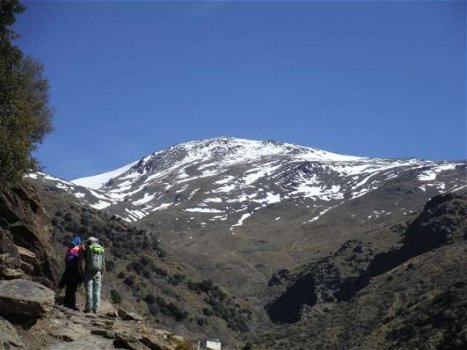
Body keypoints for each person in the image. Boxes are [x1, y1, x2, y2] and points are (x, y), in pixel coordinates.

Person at [59, 236, 84, 310]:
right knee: (73, 289)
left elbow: (66, 260)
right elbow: (79, 263)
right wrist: (81, 273)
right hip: (75, 273)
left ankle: (66, 302)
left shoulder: (69, 250)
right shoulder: (79, 249)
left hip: (67, 272)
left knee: (68, 288)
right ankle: (72, 304)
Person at [83, 236, 105, 313]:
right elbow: (103, 263)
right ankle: (96, 308)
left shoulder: (88, 248)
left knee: (89, 290)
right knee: (97, 290)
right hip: (98, 272)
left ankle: (88, 307)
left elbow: (82, 259)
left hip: (89, 272)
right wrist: (102, 274)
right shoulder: (100, 249)